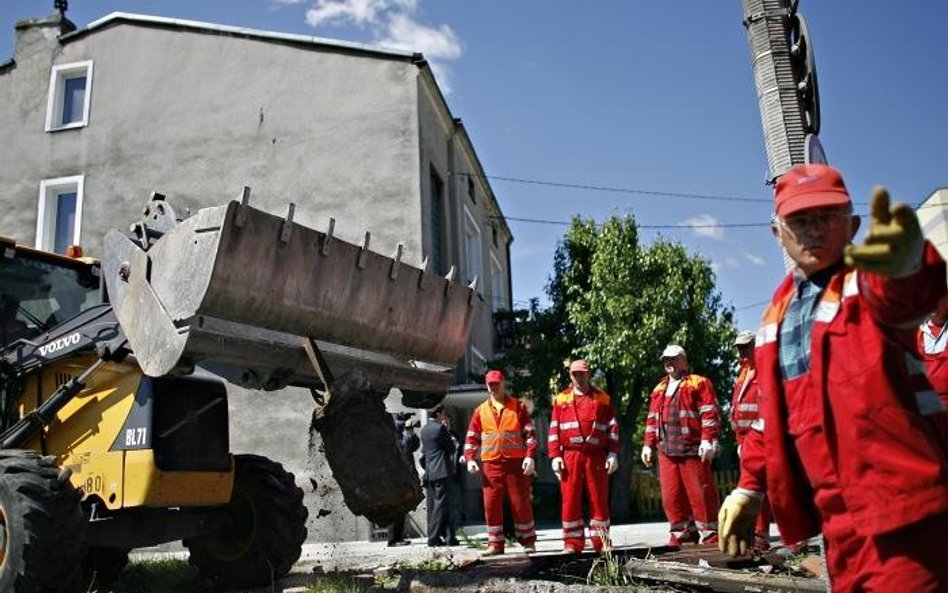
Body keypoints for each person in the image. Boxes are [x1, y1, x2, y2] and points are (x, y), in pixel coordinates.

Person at [718, 163, 948, 593]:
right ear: (777, 231)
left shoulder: (867, 282)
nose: (813, 230)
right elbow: (773, 413)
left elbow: (913, 291)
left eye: (826, 217)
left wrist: (912, 258)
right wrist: (749, 487)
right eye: (800, 220)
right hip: (837, 526)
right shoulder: (777, 316)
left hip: (904, 513)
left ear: (852, 225)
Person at [641, 345, 721, 546]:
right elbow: (652, 419)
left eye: (674, 359)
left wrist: (707, 440)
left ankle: (711, 536)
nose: (669, 363)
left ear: (684, 361)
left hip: (692, 449)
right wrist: (647, 445)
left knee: (700, 494)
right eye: (666, 360)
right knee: (672, 496)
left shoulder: (698, 383)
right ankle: (682, 535)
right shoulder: (659, 389)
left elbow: (709, 413)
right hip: (666, 451)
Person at [464, 369, 538, 556]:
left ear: (503, 383)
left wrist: (530, 456)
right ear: (487, 386)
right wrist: (470, 458)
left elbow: (530, 435)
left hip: (515, 463)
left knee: (520, 503)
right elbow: (472, 438)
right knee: (491, 504)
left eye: (497, 384)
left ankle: (528, 541)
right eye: (490, 385)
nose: (494, 388)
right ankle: (495, 544)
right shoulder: (480, 411)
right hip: (491, 465)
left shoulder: (518, 407)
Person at [548, 359, 619, 553]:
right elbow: (554, 428)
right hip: (570, 456)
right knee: (570, 499)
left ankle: (602, 541)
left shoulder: (602, 399)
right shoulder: (561, 399)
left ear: (589, 374)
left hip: (596, 456)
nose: (578, 378)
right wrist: (555, 456)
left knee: (599, 498)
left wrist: (612, 454)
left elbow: (613, 428)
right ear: (570, 376)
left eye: (582, 373)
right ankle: (572, 543)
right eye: (575, 374)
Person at [728, 331, 770, 552]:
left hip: (763, 439)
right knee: (755, 488)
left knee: (767, 488)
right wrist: (739, 440)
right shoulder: (743, 374)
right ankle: (757, 536)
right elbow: (737, 409)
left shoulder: (764, 370)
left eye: (746, 347)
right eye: (739, 348)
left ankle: (764, 536)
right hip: (746, 440)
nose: (741, 352)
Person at [420, 404, 455, 547]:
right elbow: (451, 448)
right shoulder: (440, 428)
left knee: (435, 505)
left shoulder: (424, 429)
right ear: (439, 414)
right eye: (443, 414)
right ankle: (433, 537)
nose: (444, 417)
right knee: (440, 505)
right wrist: (449, 436)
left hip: (430, 472)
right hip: (441, 471)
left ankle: (447, 537)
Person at [388, 416, 419, 547]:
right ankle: (395, 538)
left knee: (400, 510)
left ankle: (397, 537)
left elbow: (414, 446)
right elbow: (409, 447)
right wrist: (409, 430)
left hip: (398, 479)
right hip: (400, 480)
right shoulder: (399, 439)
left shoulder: (397, 438)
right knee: (398, 510)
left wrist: (411, 432)